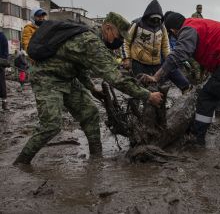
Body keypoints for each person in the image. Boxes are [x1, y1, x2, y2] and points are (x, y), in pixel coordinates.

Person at [14, 12, 163, 165]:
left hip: (68, 78)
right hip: (47, 77)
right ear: (108, 28)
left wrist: (91, 88)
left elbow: (81, 66)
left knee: (90, 113)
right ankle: (21, 163)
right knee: (51, 125)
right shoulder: (91, 42)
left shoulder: (91, 39)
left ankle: (96, 157)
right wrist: (147, 95)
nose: (118, 41)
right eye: (118, 36)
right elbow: (116, 78)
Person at [141, 12, 220, 146]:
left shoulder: (187, 29)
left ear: (173, 30)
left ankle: (197, 138)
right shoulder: (197, 24)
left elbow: (179, 53)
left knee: (207, 96)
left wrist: (156, 76)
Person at [122, 0, 190, 93]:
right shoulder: (137, 24)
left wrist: (168, 61)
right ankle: (138, 104)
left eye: (158, 19)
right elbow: (126, 41)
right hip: (139, 62)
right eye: (153, 18)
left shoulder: (162, 27)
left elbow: (165, 46)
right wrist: (127, 58)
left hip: (156, 62)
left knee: (160, 85)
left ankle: (185, 89)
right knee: (142, 87)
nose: (155, 21)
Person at [0, 31, 9, 110]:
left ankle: (4, 101)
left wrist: (4, 60)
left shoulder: (2, 36)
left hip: (0, 64)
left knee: (1, 83)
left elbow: (5, 51)